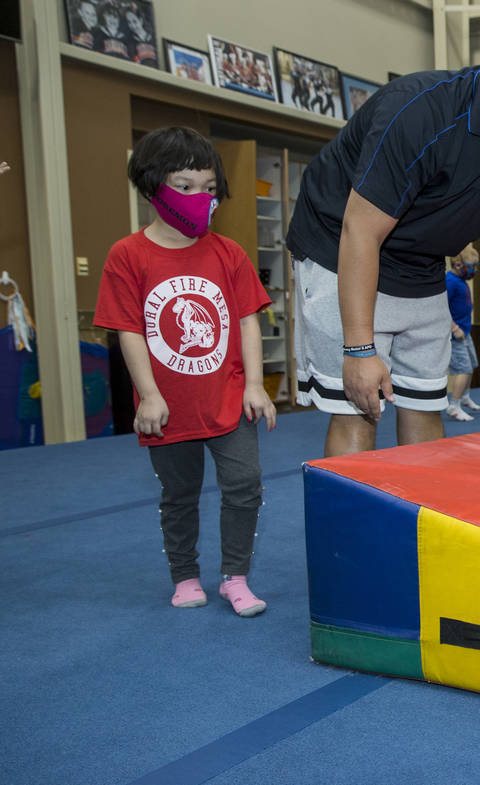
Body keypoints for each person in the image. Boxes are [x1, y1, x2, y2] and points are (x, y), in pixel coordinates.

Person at [286, 25, 480, 457]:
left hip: (421, 260)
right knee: (360, 407)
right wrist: (358, 346)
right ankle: (354, 524)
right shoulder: (421, 113)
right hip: (341, 245)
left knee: (426, 401)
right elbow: (361, 230)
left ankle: (418, 519)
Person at [93, 127, 276, 617]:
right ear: (154, 186)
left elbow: (245, 321)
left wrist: (255, 385)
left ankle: (236, 576)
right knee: (179, 493)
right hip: (169, 405)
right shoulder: (127, 255)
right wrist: (149, 394)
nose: (200, 197)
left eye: (209, 188)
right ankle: (185, 575)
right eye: (186, 185)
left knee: (245, 483)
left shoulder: (228, 253)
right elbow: (128, 329)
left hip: (228, 397)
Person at [444, 246, 480, 422]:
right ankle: (454, 404)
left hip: (465, 332)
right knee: (463, 369)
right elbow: (441, 308)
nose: (473, 270)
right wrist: (454, 328)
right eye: (470, 266)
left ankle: (465, 396)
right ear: (458, 264)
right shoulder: (450, 281)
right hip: (455, 334)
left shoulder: (461, 281)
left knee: (472, 364)